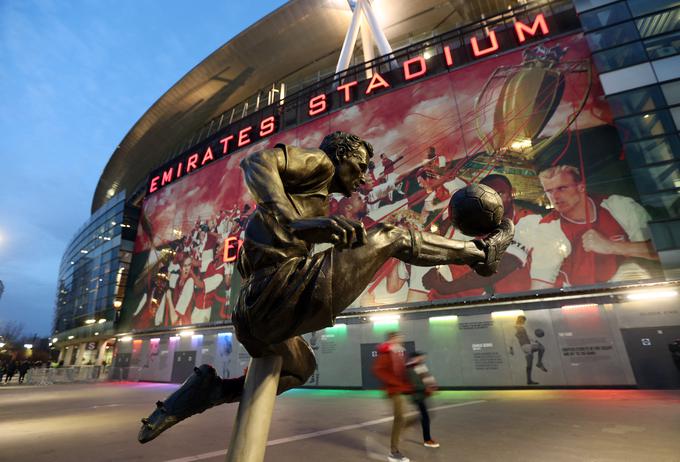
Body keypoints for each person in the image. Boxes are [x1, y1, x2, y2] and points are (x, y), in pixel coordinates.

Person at [138, 131, 514, 443]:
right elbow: (254, 163)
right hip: (273, 294)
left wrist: (309, 229)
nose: (364, 178)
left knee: (300, 367)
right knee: (391, 237)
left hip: (255, 314)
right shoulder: (320, 165)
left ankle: (209, 390)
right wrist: (295, 223)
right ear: (342, 157)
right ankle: (480, 252)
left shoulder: (313, 199)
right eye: (361, 167)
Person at [531, 165, 658, 289]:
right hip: (582, 301)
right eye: (549, 191)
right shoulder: (547, 228)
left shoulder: (619, 206)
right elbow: (541, 283)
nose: (555, 197)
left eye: (562, 188)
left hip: (637, 290)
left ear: (581, 187)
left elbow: (660, 250)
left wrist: (612, 247)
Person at [372, 332, 414, 462]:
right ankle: (394, 452)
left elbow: (402, 371)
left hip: (400, 389)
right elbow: (378, 369)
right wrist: (395, 382)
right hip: (393, 389)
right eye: (398, 337)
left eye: (401, 337)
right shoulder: (386, 353)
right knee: (400, 418)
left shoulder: (399, 353)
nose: (401, 339)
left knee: (405, 418)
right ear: (392, 339)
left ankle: (398, 436)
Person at [406, 351, 439, 449]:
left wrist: (432, 386)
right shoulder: (411, 368)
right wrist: (427, 388)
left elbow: (426, 377)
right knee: (425, 417)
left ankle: (406, 425)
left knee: (425, 416)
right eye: (420, 357)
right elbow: (415, 384)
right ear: (414, 358)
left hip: (422, 395)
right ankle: (427, 440)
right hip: (417, 396)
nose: (422, 359)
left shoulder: (419, 366)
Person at [515, 315, 547, 385]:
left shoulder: (520, 327)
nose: (524, 322)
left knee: (529, 365)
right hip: (526, 346)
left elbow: (527, 336)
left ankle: (529, 380)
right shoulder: (516, 327)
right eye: (523, 321)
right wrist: (510, 348)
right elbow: (511, 338)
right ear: (520, 320)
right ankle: (539, 363)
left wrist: (535, 341)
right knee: (541, 347)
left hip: (526, 347)